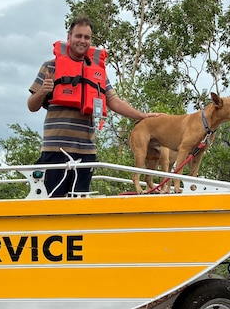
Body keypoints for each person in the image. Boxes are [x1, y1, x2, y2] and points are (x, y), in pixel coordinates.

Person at [27, 15, 157, 197]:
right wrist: (42, 92)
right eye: (78, 36)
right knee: (51, 205)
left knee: (79, 208)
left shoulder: (98, 72)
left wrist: (142, 116)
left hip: (85, 151)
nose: (82, 41)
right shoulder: (50, 66)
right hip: (54, 150)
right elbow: (31, 106)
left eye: (86, 37)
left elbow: (113, 101)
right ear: (69, 37)